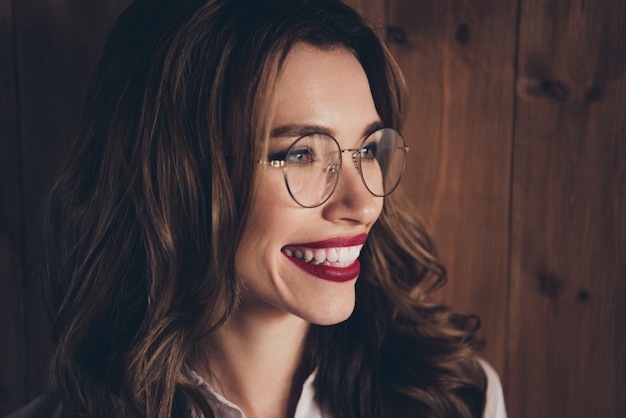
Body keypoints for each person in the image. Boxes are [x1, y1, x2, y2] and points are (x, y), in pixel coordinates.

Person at [7, 0, 507, 417]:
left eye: (368, 150)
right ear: (176, 176)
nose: (364, 203)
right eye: (301, 153)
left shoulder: (456, 398)